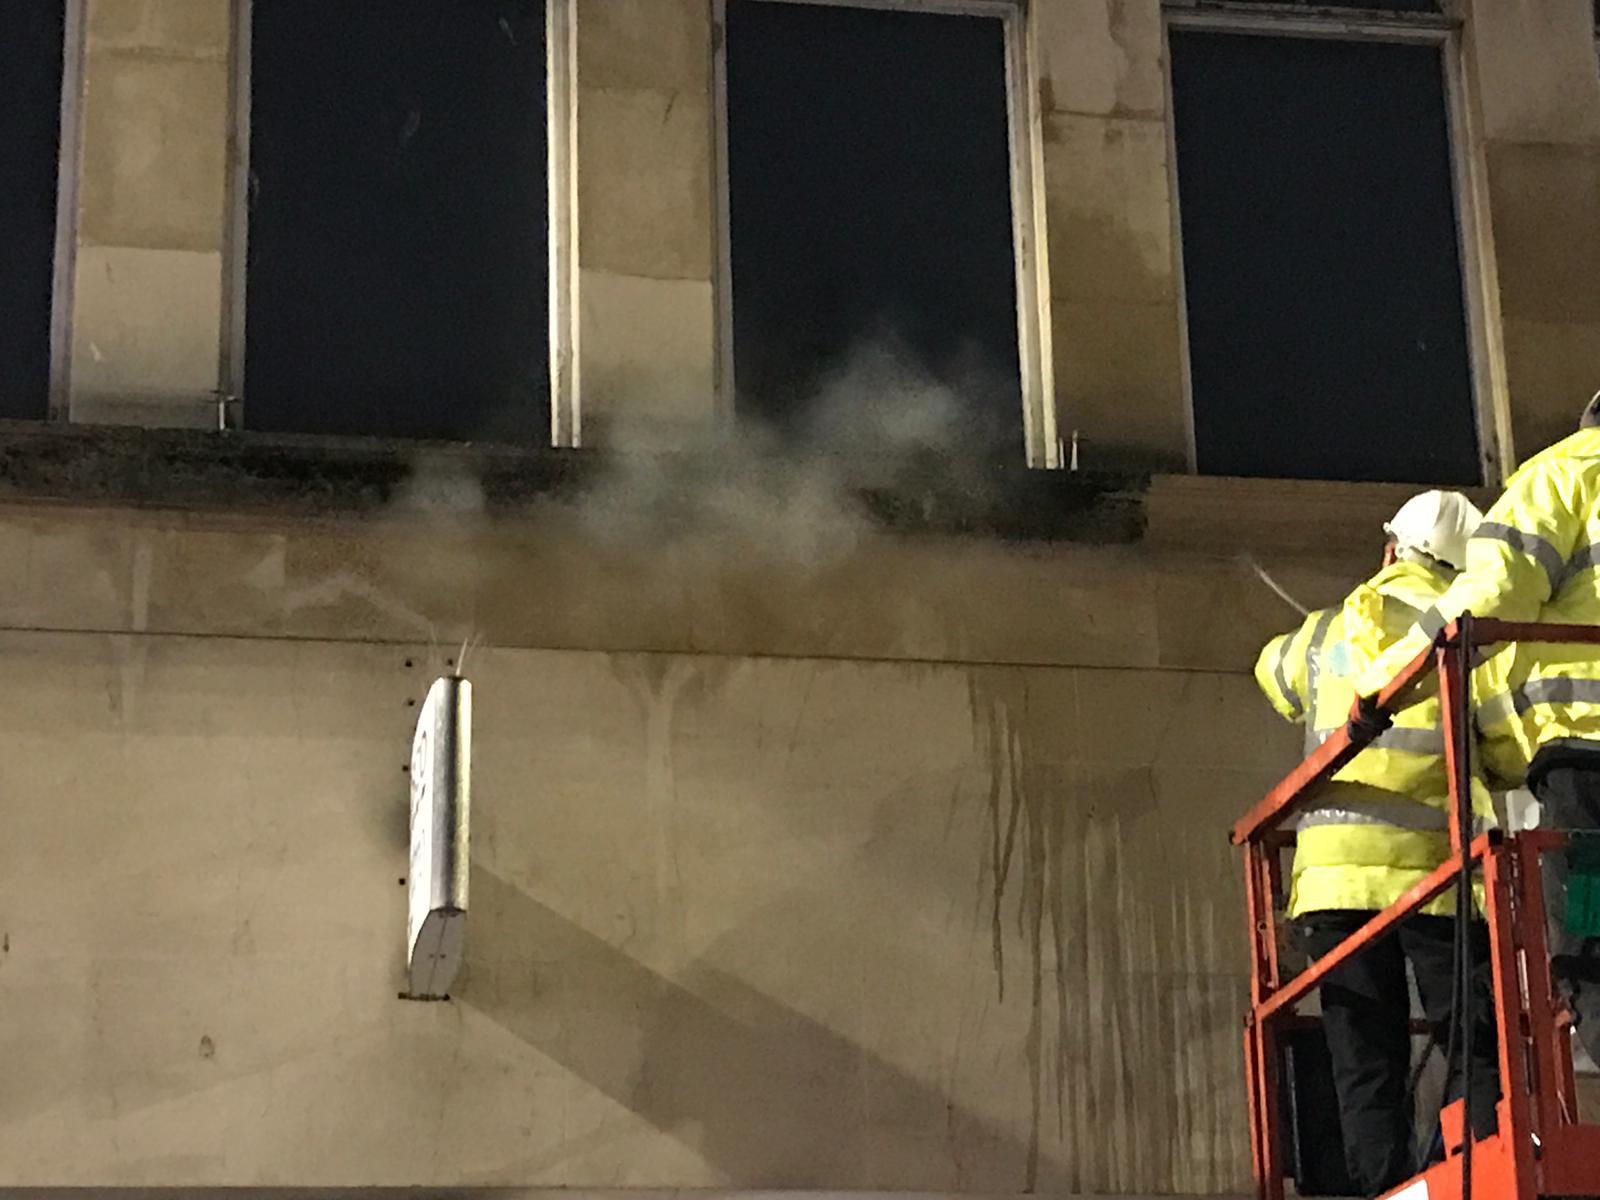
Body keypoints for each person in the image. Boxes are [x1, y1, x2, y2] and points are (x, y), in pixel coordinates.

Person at [1256, 490, 1514, 1198]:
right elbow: (1505, 742)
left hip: (1333, 883)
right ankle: (1471, 1172)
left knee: (1364, 1053)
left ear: (1390, 548)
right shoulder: (1468, 627)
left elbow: (1271, 673)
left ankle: (1383, 1188)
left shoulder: (1322, 633)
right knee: (1472, 1038)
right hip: (1438, 870)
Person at [1359, 398, 1600, 1066]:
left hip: (1590, 767)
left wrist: (1382, 686)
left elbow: (1493, 596)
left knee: (1590, 936)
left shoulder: (1565, 472)